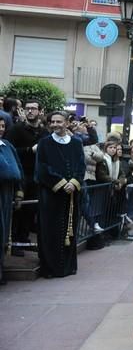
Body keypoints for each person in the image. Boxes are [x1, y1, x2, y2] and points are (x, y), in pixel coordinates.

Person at [35, 111, 86, 278]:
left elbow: (81, 166)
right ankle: (50, 268)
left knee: (69, 231)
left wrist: (74, 183)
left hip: (71, 196)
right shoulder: (44, 143)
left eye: (59, 121)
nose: (55, 124)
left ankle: (68, 267)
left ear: (66, 123)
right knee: (50, 231)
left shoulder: (77, 143)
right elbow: (42, 169)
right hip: (51, 196)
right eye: (53, 122)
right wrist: (63, 183)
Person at [6, 99, 48, 255]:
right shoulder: (16, 130)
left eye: (34, 109)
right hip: (20, 175)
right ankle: (14, 243)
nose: (30, 111)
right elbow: (9, 151)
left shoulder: (44, 132)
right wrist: (30, 150)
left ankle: (23, 239)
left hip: (37, 176)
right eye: (27, 108)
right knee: (18, 208)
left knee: (31, 210)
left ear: (40, 111)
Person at [0, 118, 24, 284]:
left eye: (2, 126)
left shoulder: (7, 145)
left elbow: (18, 170)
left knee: (3, 234)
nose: (1, 129)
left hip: (7, 194)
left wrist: (19, 191)